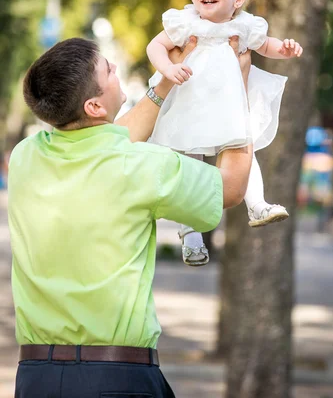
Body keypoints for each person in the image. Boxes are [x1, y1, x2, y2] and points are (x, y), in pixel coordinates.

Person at [7, 36, 252, 398]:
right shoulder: (141, 168)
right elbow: (230, 187)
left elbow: (113, 138)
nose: (116, 69)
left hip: (35, 378)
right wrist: (237, 89)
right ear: (93, 105)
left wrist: (165, 80)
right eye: (108, 69)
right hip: (117, 379)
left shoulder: (26, 158)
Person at [147, 0, 303, 266]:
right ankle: (190, 234)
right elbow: (155, 48)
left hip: (227, 105)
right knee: (189, 166)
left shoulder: (244, 25)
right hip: (190, 101)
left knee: (243, 148)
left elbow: (267, 45)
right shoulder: (186, 22)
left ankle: (257, 204)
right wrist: (169, 69)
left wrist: (284, 50)